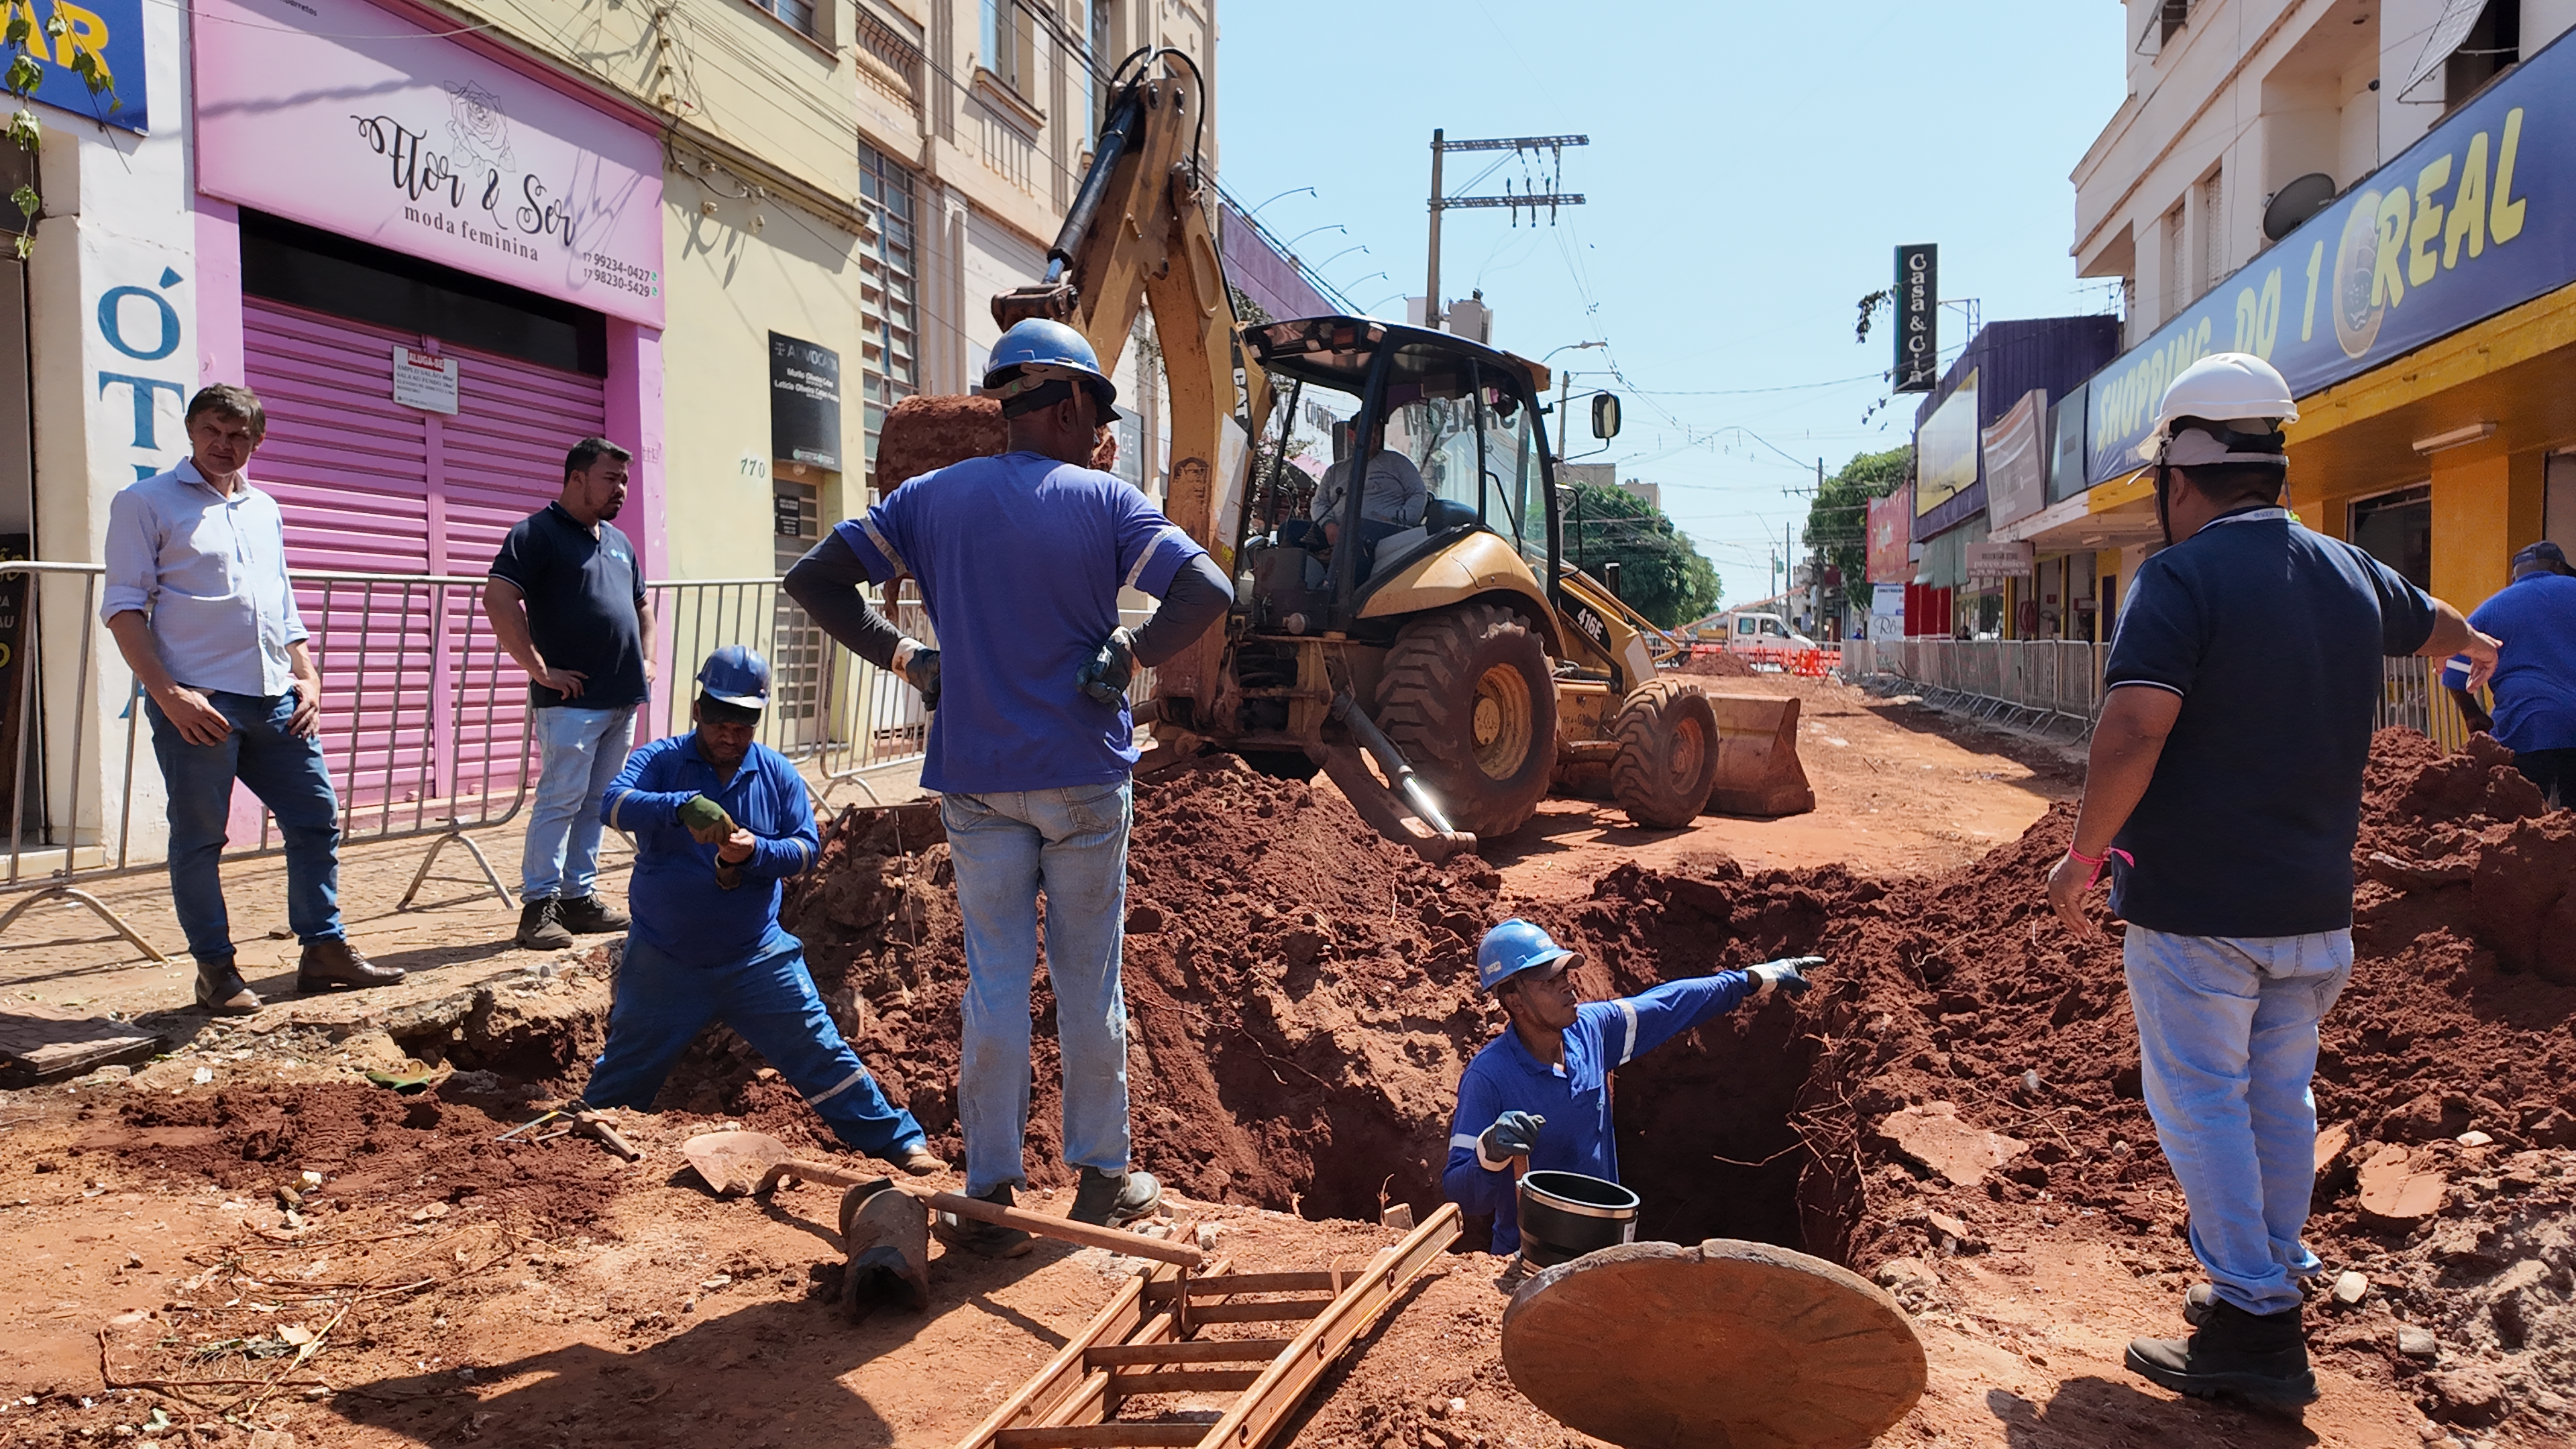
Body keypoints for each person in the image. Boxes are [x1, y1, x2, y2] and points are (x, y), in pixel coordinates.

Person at [2042, 352, 2499, 1413]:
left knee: (2201, 1101)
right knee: (2277, 1101)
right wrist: (2475, 638)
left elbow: (2135, 727)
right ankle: (2262, 1282)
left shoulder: (2181, 580)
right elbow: (2427, 616)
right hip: (2314, 913)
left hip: (2201, 911)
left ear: (2180, 476)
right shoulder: (2347, 570)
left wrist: (2083, 856)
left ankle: (2254, 1320)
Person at [783, 317, 1234, 1256]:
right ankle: (1103, 1179)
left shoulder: (926, 501)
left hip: (978, 780)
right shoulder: (1105, 502)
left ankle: (990, 1187)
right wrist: (1132, 651)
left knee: (993, 982)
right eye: (1095, 412)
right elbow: (1207, 591)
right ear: (1065, 403)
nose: (1097, 433)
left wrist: (908, 657)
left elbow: (817, 579)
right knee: (1087, 981)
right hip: (1082, 781)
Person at [101, 384, 402, 1014]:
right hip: (201, 704)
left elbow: (281, 602)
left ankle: (323, 950)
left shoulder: (264, 507)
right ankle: (216, 971)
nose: (224, 444)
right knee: (200, 839)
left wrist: (308, 676)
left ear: (257, 442)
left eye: (239, 435)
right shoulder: (144, 502)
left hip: (276, 699)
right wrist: (169, 695)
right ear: (191, 431)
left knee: (316, 818)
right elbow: (125, 608)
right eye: (213, 430)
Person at [584, 647, 939, 1172]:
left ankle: (899, 1144)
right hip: (665, 959)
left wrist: (755, 853)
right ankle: (586, 1151)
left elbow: (805, 848)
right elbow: (612, 804)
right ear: (699, 711)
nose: (730, 737)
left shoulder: (774, 773)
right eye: (720, 724)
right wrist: (679, 807)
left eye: (743, 727)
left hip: (756, 958)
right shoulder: (661, 761)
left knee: (819, 1051)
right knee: (624, 1074)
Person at [1440, 919, 1816, 1256]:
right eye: (1549, 983)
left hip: (1606, 1253)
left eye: (1564, 976)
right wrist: (1489, 1153)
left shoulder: (1591, 1032)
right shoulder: (1489, 1077)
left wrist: (1752, 979)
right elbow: (1462, 1197)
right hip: (1530, 1261)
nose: (1568, 988)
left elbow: (1669, 1004)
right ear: (1514, 1001)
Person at [485, 437, 655, 949]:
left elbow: (642, 608)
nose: (621, 489)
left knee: (597, 801)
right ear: (577, 477)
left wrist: (647, 661)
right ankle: (539, 906)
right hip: (571, 704)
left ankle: (578, 898)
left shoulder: (619, 542)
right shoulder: (536, 534)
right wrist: (539, 669)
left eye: (625, 481)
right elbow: (498, 598)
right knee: (560, 799)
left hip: (621, 698)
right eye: (611, 478)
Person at [2466, 540, 2576, 807]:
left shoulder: (2492, 608)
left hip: (2522, 727)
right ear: (2559, 566)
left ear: (2515, 575)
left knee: (2521, 815)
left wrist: (2473, 715)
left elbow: (2455, 669)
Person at [1299, 417, 1426, 553]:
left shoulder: (1397, 462)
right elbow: (1319, 503)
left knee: (1355, 531)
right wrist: (1328, 525)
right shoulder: (1335, 471)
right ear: (1351, 434)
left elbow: (1418, 493)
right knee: (1291, 530)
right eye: (1367, 430)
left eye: (1376, 431)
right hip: (1338, 532)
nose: (1373, 436)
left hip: (1385, 532)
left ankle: (1341, 566)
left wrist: (1400, 519)